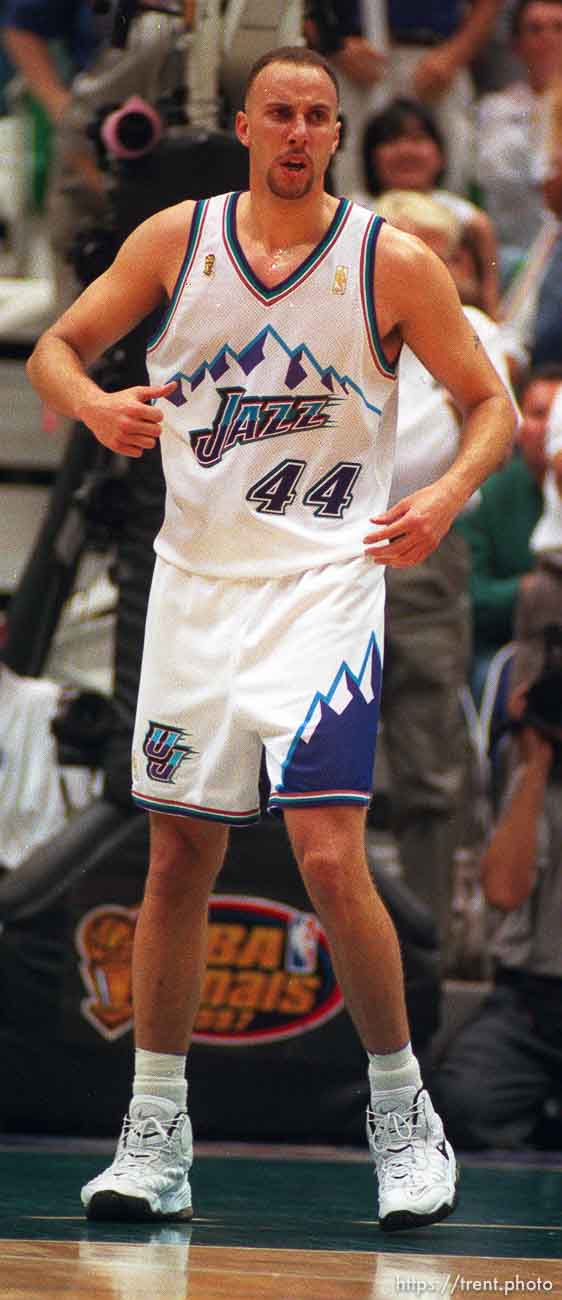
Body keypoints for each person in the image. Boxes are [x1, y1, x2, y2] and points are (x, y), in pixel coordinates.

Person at [25, 45, 515, 1230]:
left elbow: (489, 402)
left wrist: (441, 500)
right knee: (175, 861)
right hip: (197, 589)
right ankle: (155, 1134)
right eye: (280, 113)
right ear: (244, 125)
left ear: (335, 134)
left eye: (319, 116)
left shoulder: (386, 262)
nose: (299, 132)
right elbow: (56, 349)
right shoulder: (174, 243)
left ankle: (402, 1118)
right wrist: (96, 405)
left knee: (333, 858)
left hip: (324, 589)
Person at [373, 189, 514, 958]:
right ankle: (314, 933)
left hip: (426, 550)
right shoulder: (328, 313)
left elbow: (498, 409)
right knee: (299, 754)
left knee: (429, 762)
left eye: (431, 248)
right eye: (398, 243)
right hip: (319, 547)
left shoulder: (477, 329)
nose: (411, 261)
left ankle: (423, 943)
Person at [432, 668, 562, 1149]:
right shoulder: (529, 761)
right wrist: (534, 769)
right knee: (463, 1103)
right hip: (532, 1004)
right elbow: (504, 890)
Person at [456, 364, 562, 703]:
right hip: (503, 642)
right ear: (517, 425)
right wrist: (526, 589)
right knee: (501, 677)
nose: (550, 428)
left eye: (558, 416)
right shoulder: (485, 493)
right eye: (539, 414)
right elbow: (470, 596)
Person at [357, 97, 500, 319]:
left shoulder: (471, 222)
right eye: (392, 141)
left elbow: (489, 305)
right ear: (371, 156)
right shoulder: (352, 216)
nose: (406, 150)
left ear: (439, 153)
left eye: (418, 139)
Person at [476, 0, 562, 291]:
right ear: (517, 45)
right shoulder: (495, 110)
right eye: (535, 30)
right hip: (512, 256)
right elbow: (496, 177)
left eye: (558, 28)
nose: (548, 38)